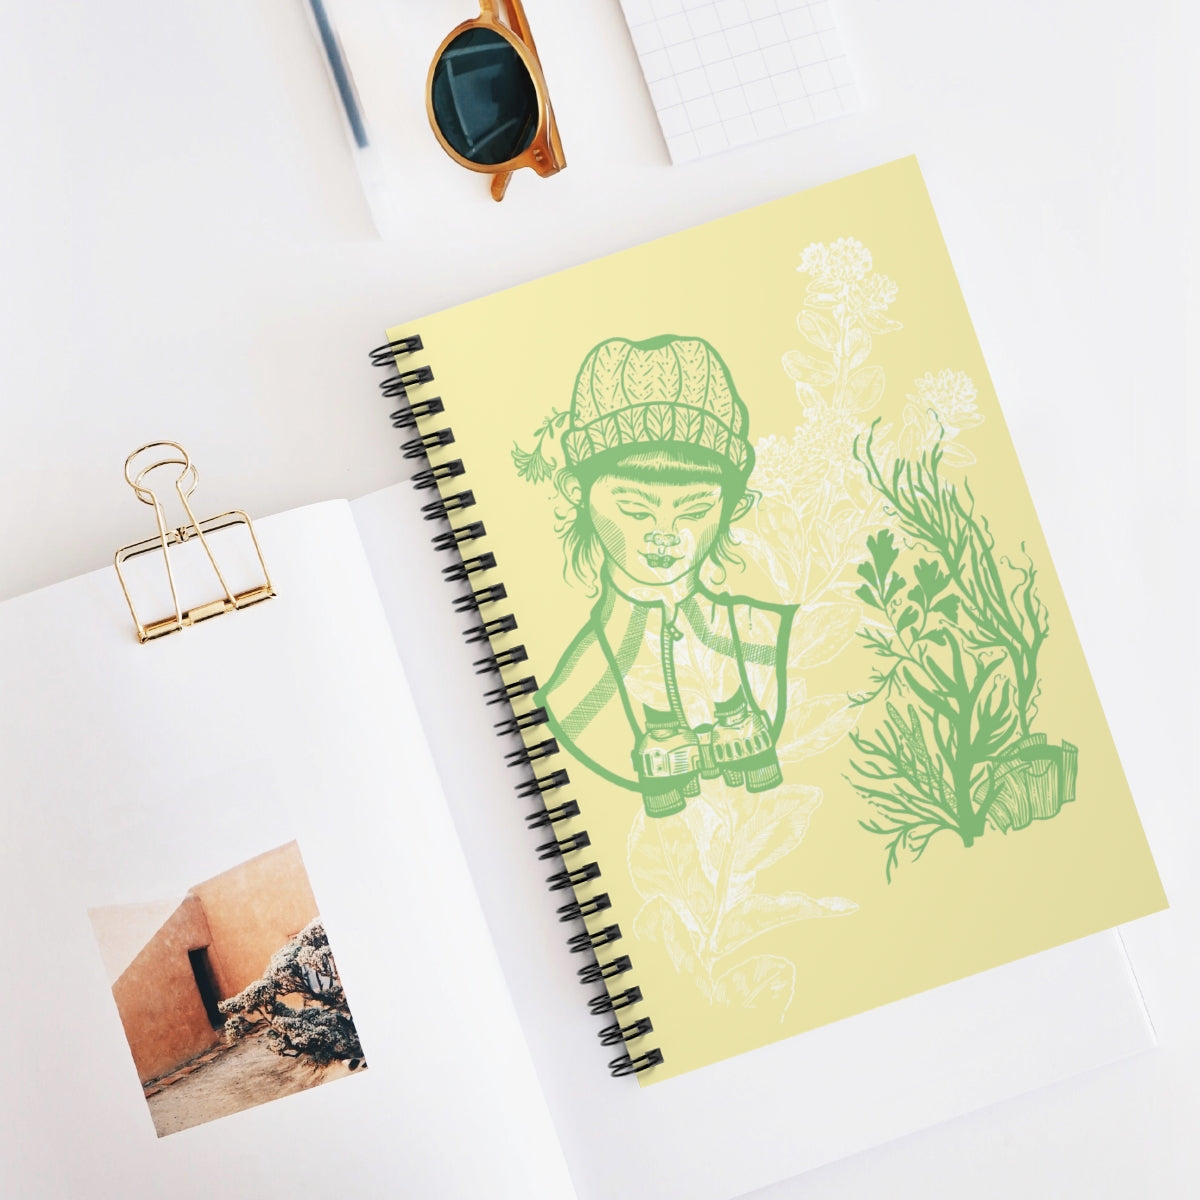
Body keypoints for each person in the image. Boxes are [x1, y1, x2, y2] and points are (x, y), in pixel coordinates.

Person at [538, 335, 795, 818]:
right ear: (579, 493)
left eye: (695, 508)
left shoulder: (774, 634)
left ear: (732, 507)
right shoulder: (575, 689)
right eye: (634, 508)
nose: (663, 534)